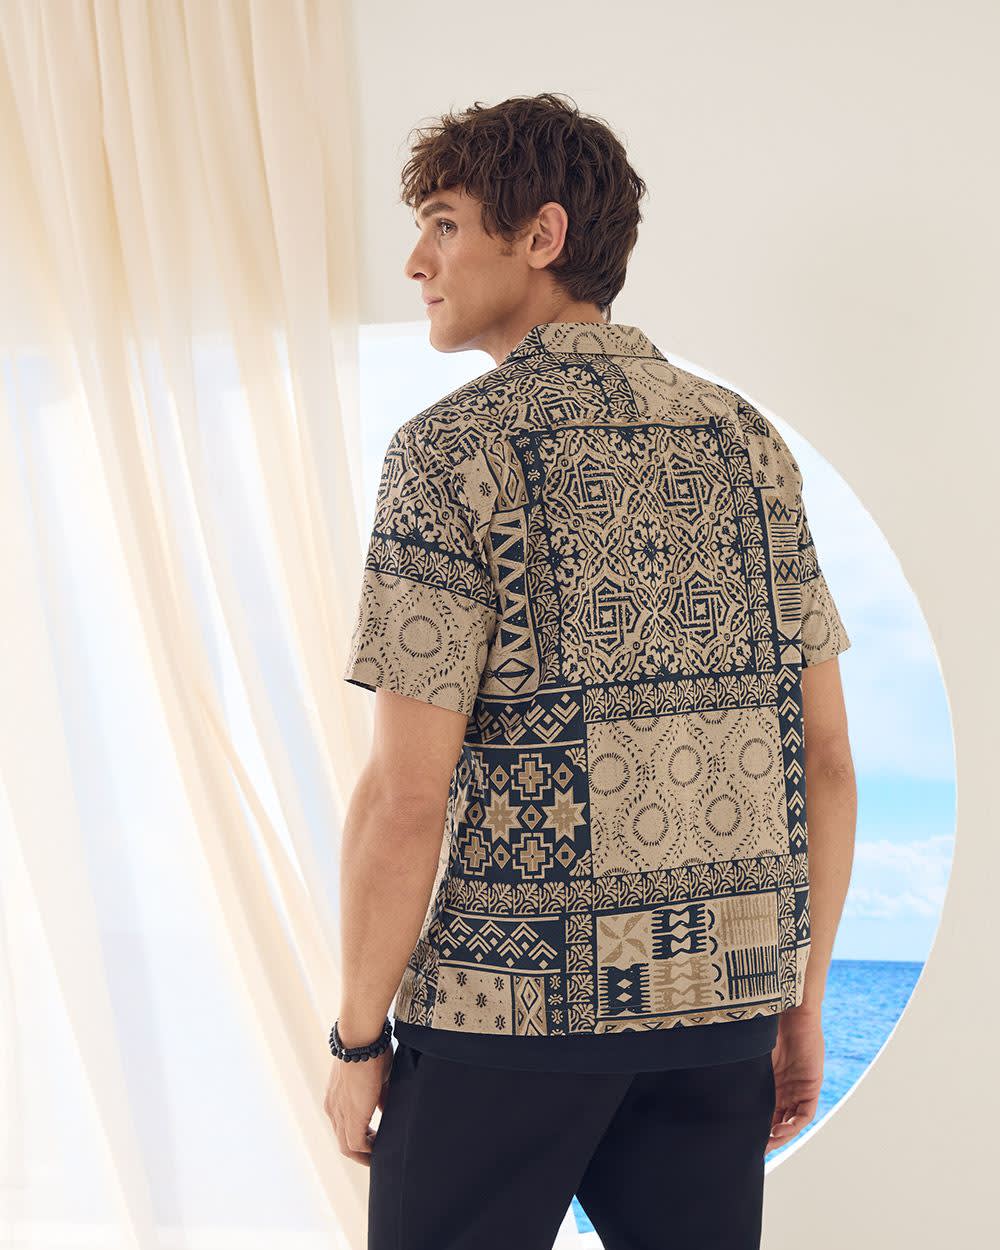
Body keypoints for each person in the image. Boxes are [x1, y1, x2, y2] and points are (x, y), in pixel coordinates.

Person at [324, 92, 857, 1250]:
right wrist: (800, 1002)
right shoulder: (748, 442)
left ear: (542, 236)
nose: (416, 261)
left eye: (444, 223)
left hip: (505, 1019)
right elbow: (822, 759)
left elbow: (406, 795)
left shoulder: (450, 452)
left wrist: (358, 1036)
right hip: (720, 1009)